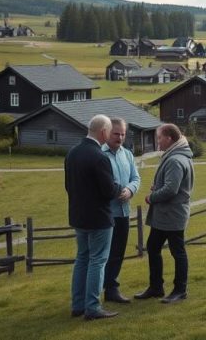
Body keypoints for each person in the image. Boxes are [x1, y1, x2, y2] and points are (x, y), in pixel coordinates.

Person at [65, 114, 131, 320]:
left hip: (78, 216)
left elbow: (69, 186)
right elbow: (108, 190)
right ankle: (92, 307)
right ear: (103, 132)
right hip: (99, 218)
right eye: (111, 131)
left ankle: (78, 305)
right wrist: (120, 188)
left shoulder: (72, 153)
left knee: (82, 259)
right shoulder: (99, 157)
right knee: (97, 261)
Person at [135, 123, 194, 304]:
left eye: (159, 137)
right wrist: (159, 187)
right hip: (166, 215)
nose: (157, 141)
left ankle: (180, 290)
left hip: (172, 214)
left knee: (178, 251)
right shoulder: (176, 155)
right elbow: (170, 184)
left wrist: (152, 197)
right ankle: (156, 287)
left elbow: (171, 189)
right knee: (153, 247)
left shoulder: (176, 159)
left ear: (169, 138)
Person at [102, 117, 141, 304]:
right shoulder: (100, 154)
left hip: (124, 213)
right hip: (106, 213)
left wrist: (130, 189)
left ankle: (111, 289)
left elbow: (136, 177)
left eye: (123, 134)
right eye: (116, 134)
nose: (120, 137)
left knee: (118, 253)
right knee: (103, 255)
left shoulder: (127, 154)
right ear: (107, 132)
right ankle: (96, 290)